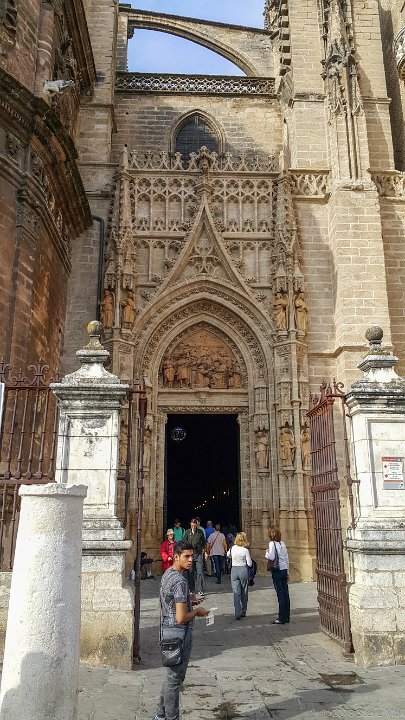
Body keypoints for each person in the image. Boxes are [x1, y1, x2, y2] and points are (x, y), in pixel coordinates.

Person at [155, 541, 209, 720]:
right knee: (175, 679)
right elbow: (181, 617)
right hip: (179, 634)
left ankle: (160, 715)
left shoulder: (168, 574)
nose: (191, 559)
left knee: (171, 676)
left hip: (166, 630)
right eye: (186, 556)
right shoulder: (180, 581)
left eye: (192, 556)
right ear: (176, 557)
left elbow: (170, 600)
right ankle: (171, 717)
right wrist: (197, 612)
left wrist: (188, 599)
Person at [266, 526, 290, 625]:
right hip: (284, 569)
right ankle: (287, 616)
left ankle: (281, 618)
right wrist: (287, 572)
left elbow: (271, 557)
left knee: (280, 594)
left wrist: (266, 553)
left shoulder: (272, 543)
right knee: (285, 594)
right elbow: (287, 559)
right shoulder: (282, 543)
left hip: (277, 571)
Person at [227, 532, 252, 620]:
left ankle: (237, 612)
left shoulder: (233, 548)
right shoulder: (245, 550)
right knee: (244, 590)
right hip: (243, 570)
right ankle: (243, 611)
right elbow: (249, 563)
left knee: (236, 591)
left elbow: (228, 555)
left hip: (234, 570)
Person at [184, 518, 206, 596]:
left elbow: (204, 542)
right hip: (190, 555)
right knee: (190, 572)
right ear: (190, 524)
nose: (193, 526)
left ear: (197, 524)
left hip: (198, 554)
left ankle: (200, 589)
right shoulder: (187, 532)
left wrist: (205, 551)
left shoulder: (200, 532)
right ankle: (191, 589)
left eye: (195, 524)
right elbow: (184, 543)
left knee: (200, 572)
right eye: (192, 524)